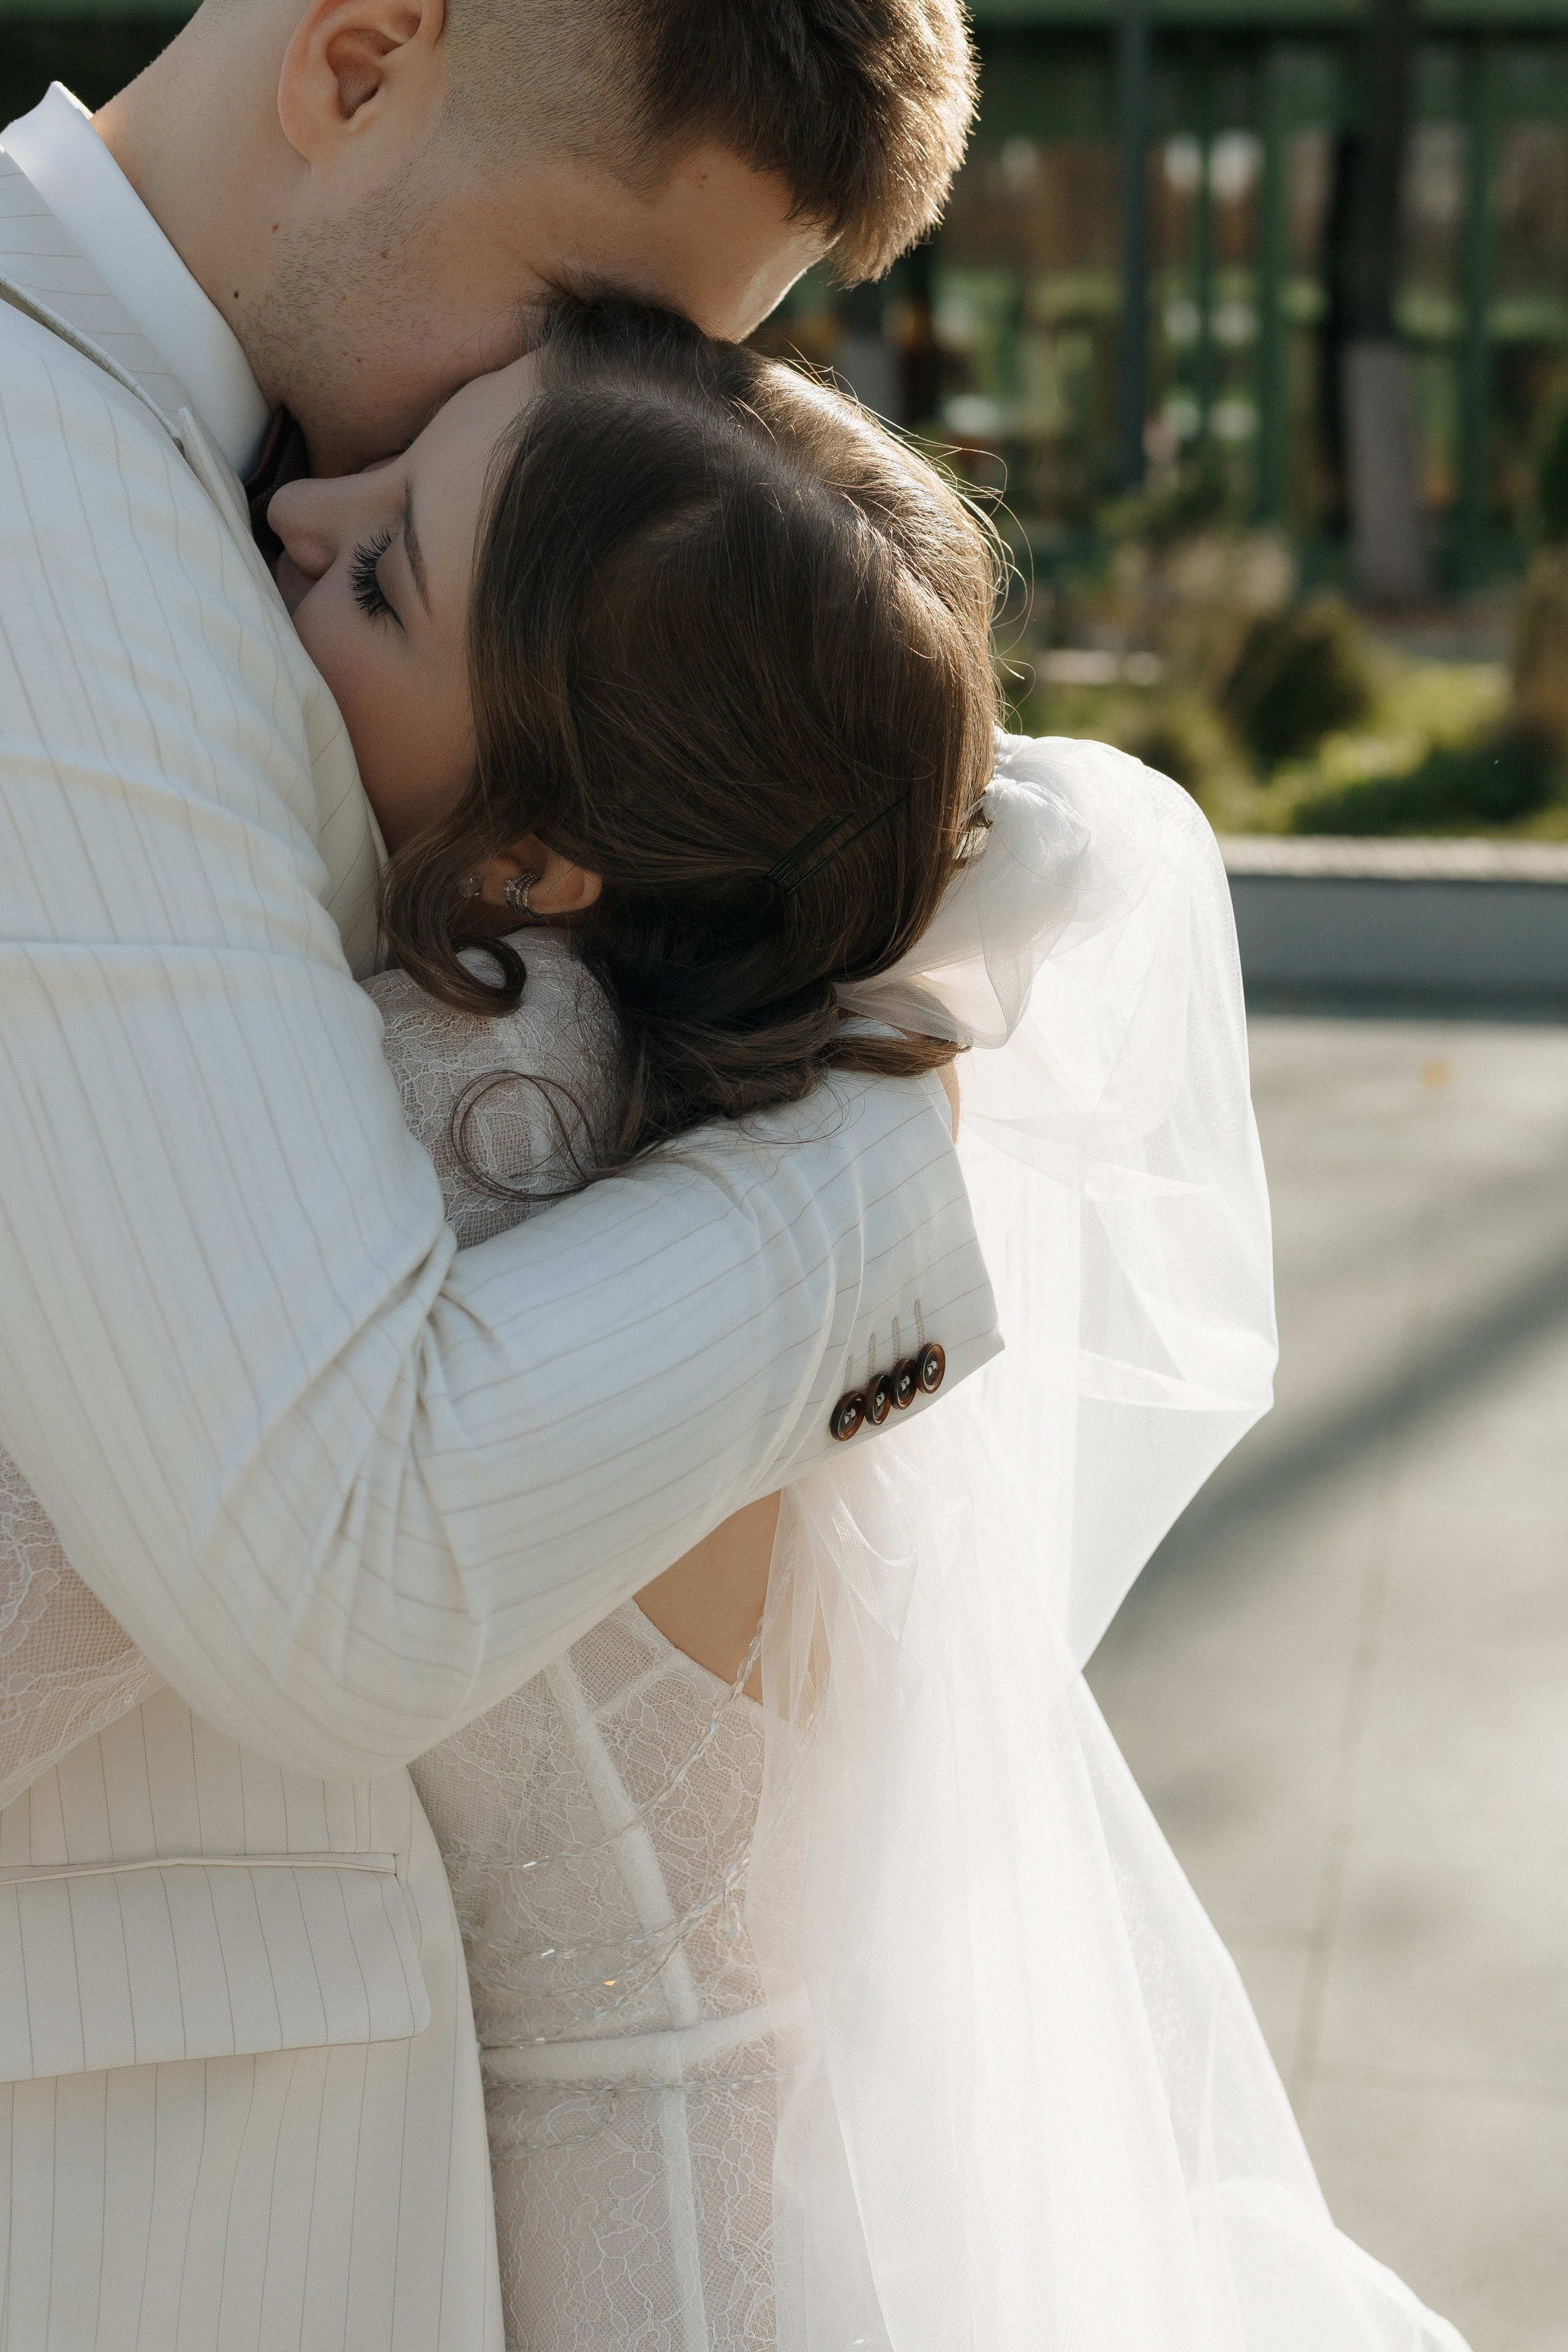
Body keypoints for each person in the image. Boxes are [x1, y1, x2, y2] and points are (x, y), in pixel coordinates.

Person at [0, 296, 1471, 2352]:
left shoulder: (488, 1108)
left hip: (662, 2262)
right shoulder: (767, 1039)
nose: (287, 516)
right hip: (804, 2173)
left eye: (380, 573)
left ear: (536, 853)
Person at [0, 7, 991, 2345]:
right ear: (353, 65)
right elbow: (319, 1563)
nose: (625, 402)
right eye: (600, 322)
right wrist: (881, 1185)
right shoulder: (56, 507)